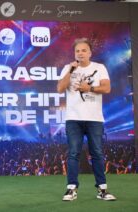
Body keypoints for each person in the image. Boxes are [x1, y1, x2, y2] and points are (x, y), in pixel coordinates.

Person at [57, 38, 116, 201]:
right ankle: (71, 189)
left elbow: (107, 87)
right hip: (73, 118)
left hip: (94, 119)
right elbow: (60, 88)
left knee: (97, 153)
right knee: (73, 153)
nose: (80, 53)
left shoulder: (99, 68)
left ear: (90, 53)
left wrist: (88, 88)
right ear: (74, 53)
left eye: (84, 50)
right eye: (77, 51)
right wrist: (71, 70)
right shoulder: (68, 68)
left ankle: (102, 189)